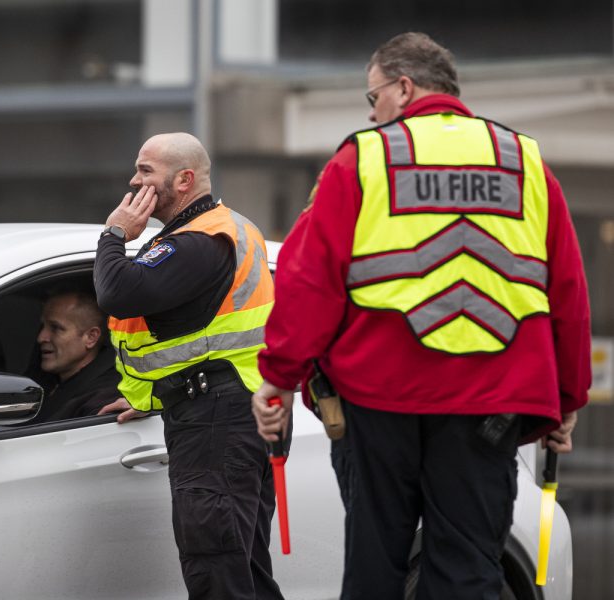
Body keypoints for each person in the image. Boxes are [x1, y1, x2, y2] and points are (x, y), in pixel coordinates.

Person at [251, 32, 591, 600]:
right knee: (468, 570)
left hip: (379, 397)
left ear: (404, 88)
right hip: (491, 400)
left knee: (375, 565)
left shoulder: (363, 158)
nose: (372, 111)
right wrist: (567, 397)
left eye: (373, 96)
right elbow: (567, 290)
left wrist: (279, 379)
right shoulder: (524, 162)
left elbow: (309, 279)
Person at [94, 132, 284, 600]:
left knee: (217, 567)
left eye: (145, 171)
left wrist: (114, 233)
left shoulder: (201, 240)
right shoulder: (224, 228)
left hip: (219, 419)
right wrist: (151, 395)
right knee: (241, 566)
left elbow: (117, 292)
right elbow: (190, 336)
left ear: (183, 180)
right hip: (235, 407)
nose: (134, 181)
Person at [32, 288, 120, 423]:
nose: (41, 337)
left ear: (91, 337)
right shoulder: (42, 379)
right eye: (42, 326)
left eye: (56, 328)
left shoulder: (104, 396)